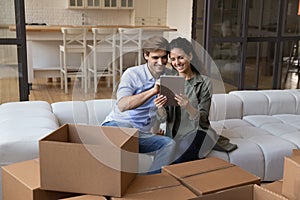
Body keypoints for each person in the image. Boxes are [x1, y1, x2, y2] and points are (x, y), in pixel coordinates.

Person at [154, 37, 237, 164]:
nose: (177, 62)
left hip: (199, 132)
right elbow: (163, 118)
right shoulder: (169, 81)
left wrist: (188, 107)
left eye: (181, 57)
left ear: (190, 56)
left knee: (182, 152)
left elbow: (203, 119)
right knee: (168, 152)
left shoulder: (204, 83)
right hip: (175, 135)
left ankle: (168, 180)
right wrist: (159, 107)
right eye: (173, 59)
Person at [101, 35, 176, 174]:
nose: (161, 62)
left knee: (169, 144)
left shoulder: (170, 76)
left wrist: (160, 112)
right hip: (117, 127)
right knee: (128, 128)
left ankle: (151, 184)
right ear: (146, 56)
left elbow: (162, 116)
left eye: (164, 57)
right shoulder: (132, 74)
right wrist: (153, 91)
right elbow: (122, 105)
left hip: (141, 135)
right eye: (155, 57)